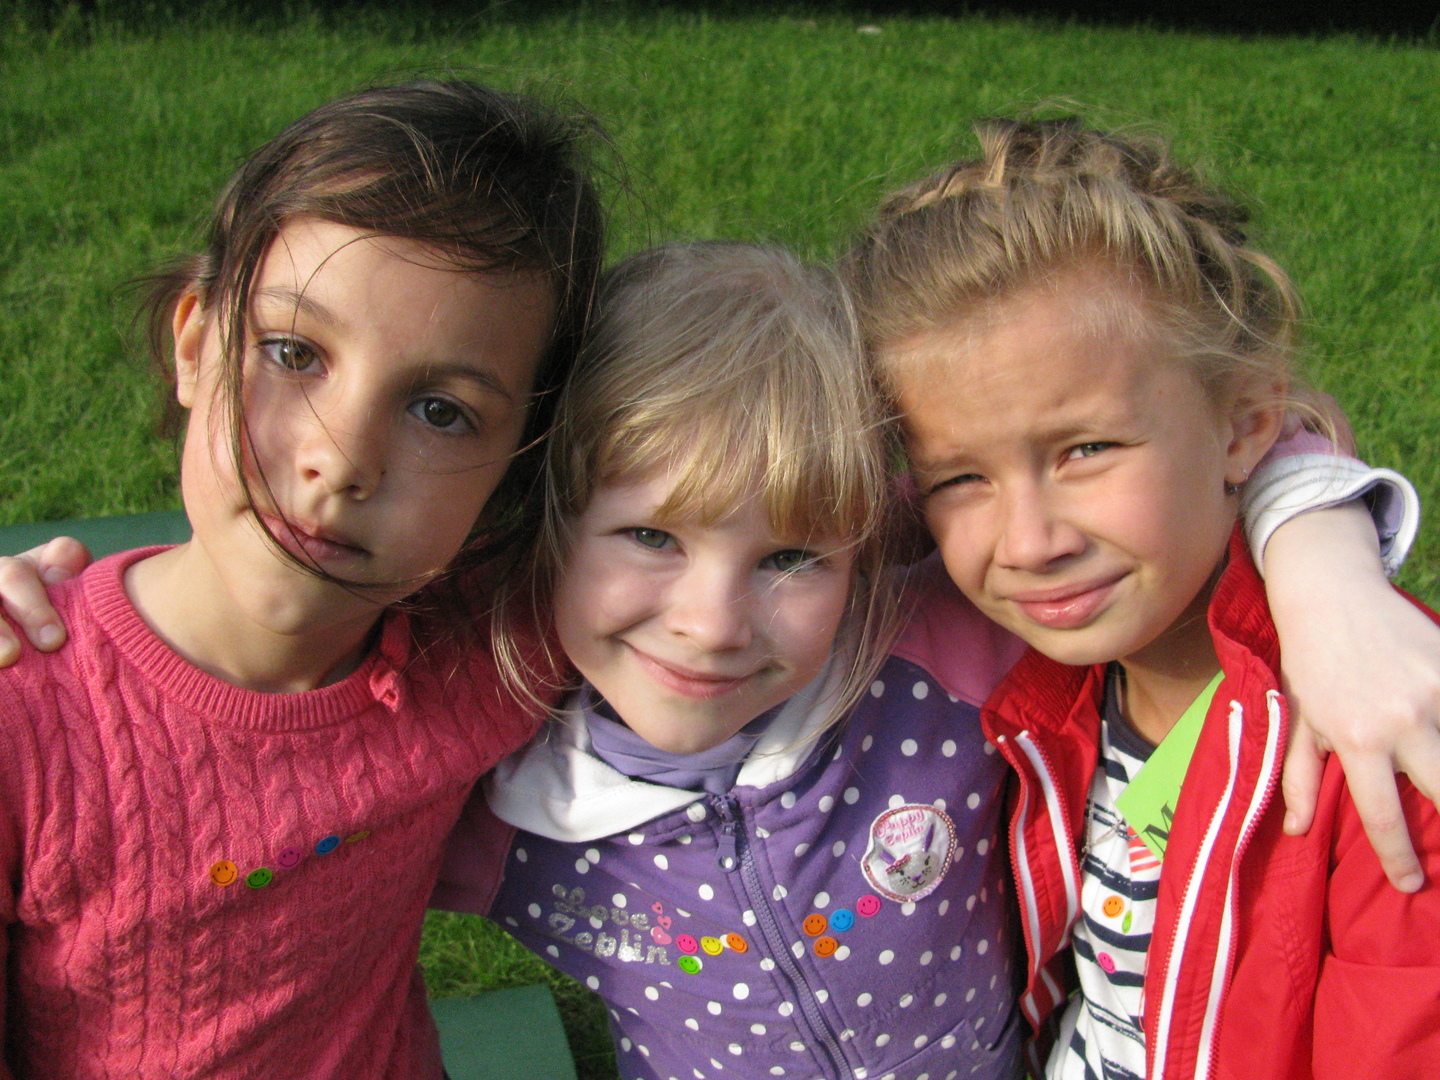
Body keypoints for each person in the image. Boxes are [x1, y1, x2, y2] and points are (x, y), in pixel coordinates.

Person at [431, 241, 1417, 1080]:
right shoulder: (480, 782)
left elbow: (1243, 438)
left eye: (789, 559)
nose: (712, 624)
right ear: (545, 522)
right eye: (650, 537)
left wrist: (1325, 563)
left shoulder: (935, 647)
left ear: (862, 547)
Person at [0, 80, 604, 1078]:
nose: (342, 460)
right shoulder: (23, 719)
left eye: (441, 411)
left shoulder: (494, 646)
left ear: (518, 461)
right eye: (294, 353)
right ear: (195, 345)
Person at [846, 117, 1440, 1079]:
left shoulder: (1384, 724)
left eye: (1087, 450)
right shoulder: (1041, 675)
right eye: (959, 479)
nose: (1030, 543)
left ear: (1245, 426)